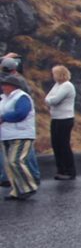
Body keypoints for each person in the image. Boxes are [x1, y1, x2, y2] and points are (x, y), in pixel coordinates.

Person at [0, 54, 40, 184]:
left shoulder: (8, 84)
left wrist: (4, 117)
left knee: (13, 156)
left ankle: (14, 179)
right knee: (23, 153)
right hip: (14, 127)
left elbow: (21, 111)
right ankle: (32, 176)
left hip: (14, 126)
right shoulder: (19, 81)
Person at [44, 64, 76, 180]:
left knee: (64, 145)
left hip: (65, 119)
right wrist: (49, 100)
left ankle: (69, 171)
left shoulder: (67, 86)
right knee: (56, 145)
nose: (52, 76)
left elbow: (54, 100)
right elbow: (47, 98)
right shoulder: (57, 85)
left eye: (54, 73)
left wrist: (49, 100)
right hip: (56, 118)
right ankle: (61, 170)